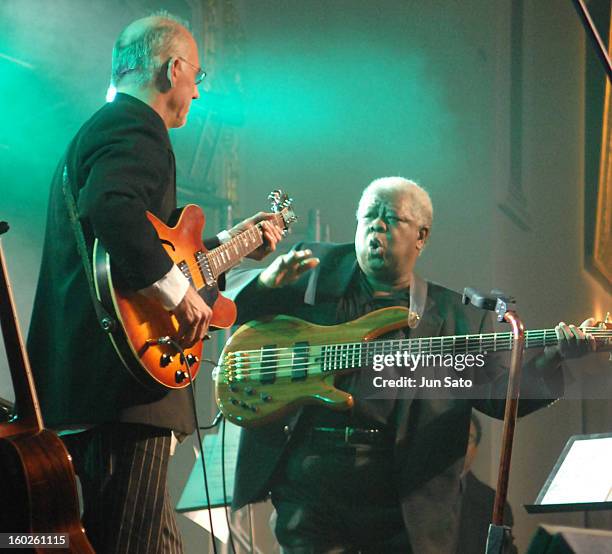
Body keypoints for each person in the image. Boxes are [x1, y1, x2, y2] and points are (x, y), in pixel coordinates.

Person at [225, 176, 596, 553]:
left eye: (391, 217)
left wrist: (555, 358)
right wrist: (267, 283)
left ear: (421, 236)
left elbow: (500, 397)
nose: (377, 225)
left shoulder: (456, 319)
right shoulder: (315, 272)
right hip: (311, 488)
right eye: (368, 214)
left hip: (401, 500)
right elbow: (229, 299)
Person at [26, 12, 282, 554]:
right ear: (173, 69)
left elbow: (143, 251)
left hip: (90, 382)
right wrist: (176, 292)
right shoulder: (135, 125)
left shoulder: (99, 130)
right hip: (124, 390)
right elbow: (112, 209)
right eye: (197, 77)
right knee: (136, 541)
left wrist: (228, 250)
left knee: (144, 539)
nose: (196, 92)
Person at [457, 414, 517, 554]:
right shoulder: (416, 496)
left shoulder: (493, 503)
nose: (461, 444)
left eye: (469, 439)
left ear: (476, 449)